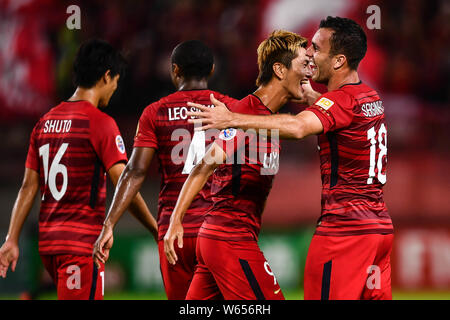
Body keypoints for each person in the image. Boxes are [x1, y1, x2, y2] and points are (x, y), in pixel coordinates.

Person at [187, 16, 393, 300]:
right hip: (379, 230)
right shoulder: (370, 97)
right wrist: (312, 98)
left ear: (338, 61)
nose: (311, 56)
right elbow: (340, 112)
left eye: (318, 49)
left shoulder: (337, 102)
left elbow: (298, 128)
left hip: (344, 232)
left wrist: (231, 118)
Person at [0, 39, 158, 300]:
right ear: (107, 76)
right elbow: (124, 184)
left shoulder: (45, 122)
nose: (115, 89)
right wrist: (155, 229)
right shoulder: (100, 123)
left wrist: (12, 238)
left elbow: (28, 186)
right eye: (116, 81)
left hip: (49, 244)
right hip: (81, 244)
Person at [164, 30, 313, 300]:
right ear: (279, 70)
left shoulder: (268, 121)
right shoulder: (245, 113)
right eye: (303, 64)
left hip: (224, 238)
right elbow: (204, 166)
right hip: (229, 238)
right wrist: (176, 221)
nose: (309, 72)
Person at [92, 40, 237, 300]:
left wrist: (109, 224)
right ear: (212, 70)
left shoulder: (155, 112)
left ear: (175, 71)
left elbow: (134, 172)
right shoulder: (232, 110)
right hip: (219, 231)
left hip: (174, 231)